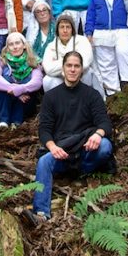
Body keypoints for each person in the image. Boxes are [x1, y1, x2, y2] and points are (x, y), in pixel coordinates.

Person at [24, 51, 114, 225]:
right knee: (44, 161)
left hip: (87, 151)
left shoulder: (92, 95)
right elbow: (44, 129)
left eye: (76, 66)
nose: (72, 69)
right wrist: (52, 147)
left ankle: (83, 172)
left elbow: (105, 123)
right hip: (63, 152)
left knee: (104, 146)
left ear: (81, 70)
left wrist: (97, 134)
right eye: (69, 66)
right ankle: (41, 213)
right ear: (63, 69)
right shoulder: (51, 96)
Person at [0, 32, 44, 130]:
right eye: (11, 44)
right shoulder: (1, 60)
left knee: (27, 88)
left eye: (17, 43)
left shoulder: (33, 61)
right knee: (3, 82)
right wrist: (14, 90)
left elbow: (37, 82)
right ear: (7, 48)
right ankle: (3, 121)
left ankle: (16, 122)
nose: (15, 47)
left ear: (24, 45)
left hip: (25, 105)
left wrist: (21, 89)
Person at [42, 14, 103, 98]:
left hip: (80, 77)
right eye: (62, 27)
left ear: (72, 29)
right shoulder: (51, 46)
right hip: (61, 79)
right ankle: (59, 107)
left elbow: (84, 64)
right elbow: (48, 69)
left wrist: (61, 64)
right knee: (48, 80)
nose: (65, 30)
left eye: (68, 27)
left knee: (87, 73)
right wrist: (72, 62)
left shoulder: (82, 41)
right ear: (57, 30)